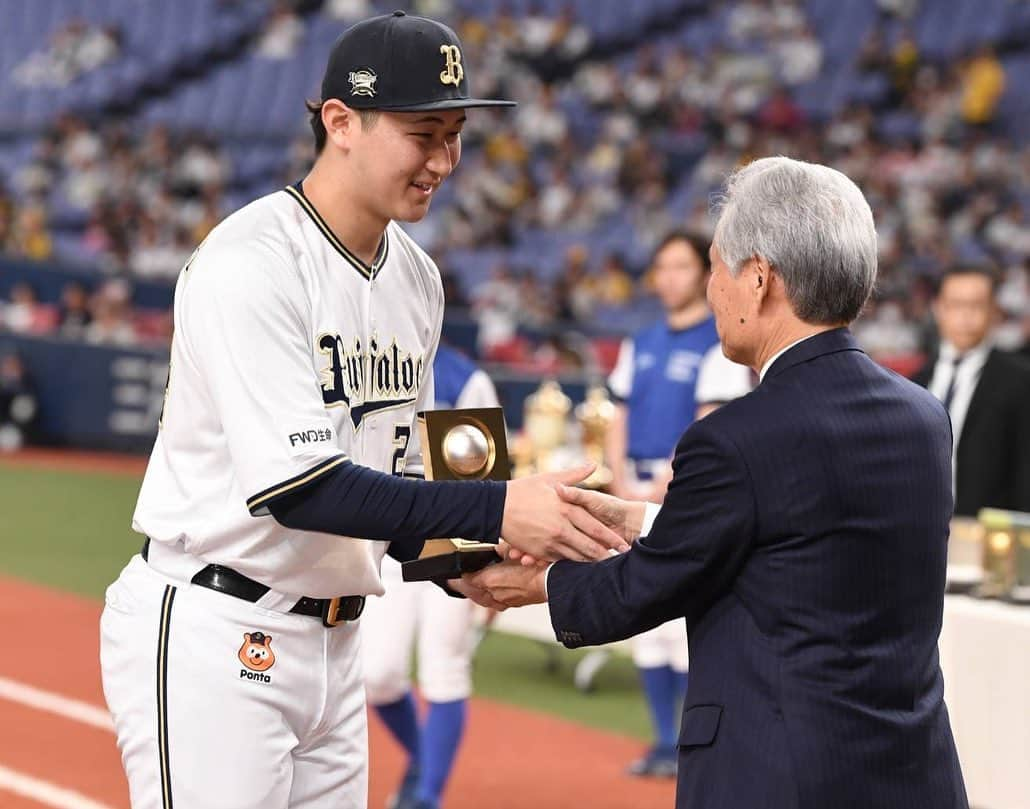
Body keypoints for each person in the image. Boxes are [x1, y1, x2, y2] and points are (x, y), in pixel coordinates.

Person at [99, 14, 626, 809]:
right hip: (220, 623)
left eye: (455, 134)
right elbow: (305, 489)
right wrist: (502, 506)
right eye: (424, 133)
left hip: (337, 642)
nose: (444, 160)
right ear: (341, 122)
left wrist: (476, 560)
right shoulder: (252, 263)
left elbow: (399, 479)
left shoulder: (417, 278)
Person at [467, 157, 968, 809]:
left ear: (758, 278)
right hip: (912, 771)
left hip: (776, 776)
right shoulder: (923, 416)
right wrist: (634, 518)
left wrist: (529, 583)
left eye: (714, 266)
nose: (711, 291)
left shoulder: (736, 436)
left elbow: (651, 584)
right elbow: (793, 541)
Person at [362, 344, 501, 809]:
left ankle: (426, 797)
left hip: (449, 541)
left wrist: (482, 560)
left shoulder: (462, 377)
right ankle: (423, 759)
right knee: (376, 674)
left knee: (444, 666)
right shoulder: (367, 361)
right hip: (385, 540)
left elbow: (483, 478)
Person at [604, 230, 719, 777]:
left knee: (681, 625)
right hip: (635, 484)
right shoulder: (641, 340)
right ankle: (660, 739)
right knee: (647, 623)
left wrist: (663, 485)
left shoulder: (717, 340)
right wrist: (621, 478)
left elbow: (710, 420)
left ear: (703, 271)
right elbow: (617, 412)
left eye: (680, 265)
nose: (669, 277)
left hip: (686, 491)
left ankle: (689, 746)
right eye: (661, 266)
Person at [911, 266, 1030, 516]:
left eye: (976, 305)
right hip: (922, 532)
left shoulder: (1020, 382)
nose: (965, 315)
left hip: (991, 534)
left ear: (994, 311)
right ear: (938, 308)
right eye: (955, 304)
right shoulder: (914, 383)